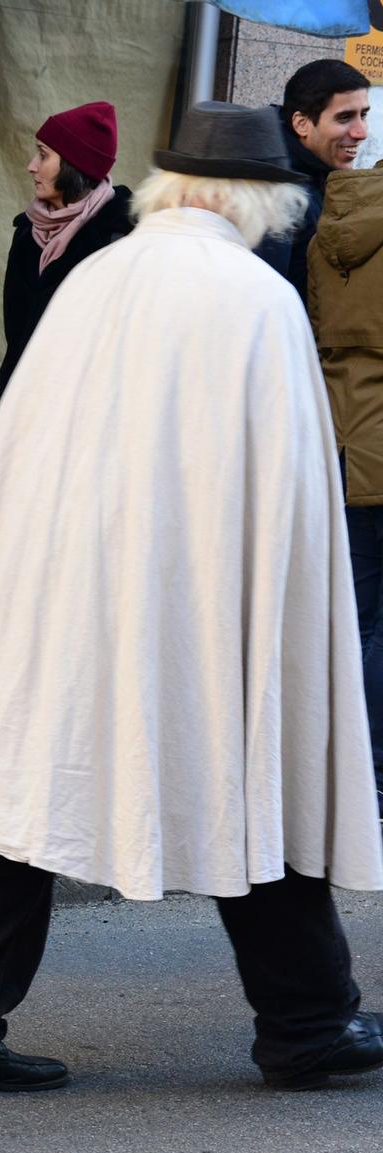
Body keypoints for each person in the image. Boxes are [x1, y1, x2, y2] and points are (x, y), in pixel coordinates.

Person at [0, 102, 383, 1096]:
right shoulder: (250, 296)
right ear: (262, 201)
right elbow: (288, 483)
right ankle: (305, 1022)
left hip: (54, 592)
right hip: (191, 597)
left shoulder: (94, 276)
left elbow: (20, 446)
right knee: (249, 773)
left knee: (22, 790)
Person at [0, 102, 134, 428]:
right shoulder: (27, 232)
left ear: (74, 164)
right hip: (19, 417)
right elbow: (18, 338)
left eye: (43, 155)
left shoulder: (120, 241)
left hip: (78, 428)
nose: (31, 166)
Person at [312, 162, 383, 802]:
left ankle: (335, 776)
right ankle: (371, 782)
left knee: (350, 618)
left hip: (341, 441)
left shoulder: (328, 223)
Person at [255, 59, 369, 296]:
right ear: (301, 124)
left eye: (363, 115)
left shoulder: (320, 175)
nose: (361, 133)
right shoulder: (277, 194)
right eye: (345, 117)